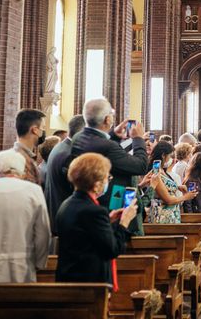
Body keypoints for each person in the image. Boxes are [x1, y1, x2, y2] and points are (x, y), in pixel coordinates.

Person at [55, 153, 138, 287]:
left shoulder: (67, 204)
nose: (108, 182)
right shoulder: (94, 211)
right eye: (107, 178)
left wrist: (108, 221)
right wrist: (124, 222)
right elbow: (112, 250)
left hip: (69, 278)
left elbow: (84, 235)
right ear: (96, 184)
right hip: (89, 285)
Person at [0, 150, 50, 282]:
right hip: (22, 268)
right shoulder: (34, 191)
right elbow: (43, 233)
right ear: (22, 173)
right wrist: (39, 263)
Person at [70, 98, 148, 212]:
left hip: (86, 200)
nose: (112, 117)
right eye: (112, 114)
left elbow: (101, 145)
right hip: (109, 205)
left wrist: (113, 135)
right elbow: (140, 166)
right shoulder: (108, 147)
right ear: (107, 119)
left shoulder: (78, 138)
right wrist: (138, 139)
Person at [44, 114, 86, 232]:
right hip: (66, 221)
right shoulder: (70, 154)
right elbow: (76, 190)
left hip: (57, 215)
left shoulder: (61, 147)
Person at [148, 141, 196, 224]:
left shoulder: (162, 170)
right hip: (163, 216)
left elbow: (164, 185)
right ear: (163, 155)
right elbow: (168, 200)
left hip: (171, 214)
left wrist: (177, 187)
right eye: (170, 156)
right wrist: (186, 197)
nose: (171, 159)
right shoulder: (156, 173)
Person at [13, 108, 47, 184]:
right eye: (43, 128)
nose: (43, 132)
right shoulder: (19, 159)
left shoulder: (24, 154)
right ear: (35, 130)